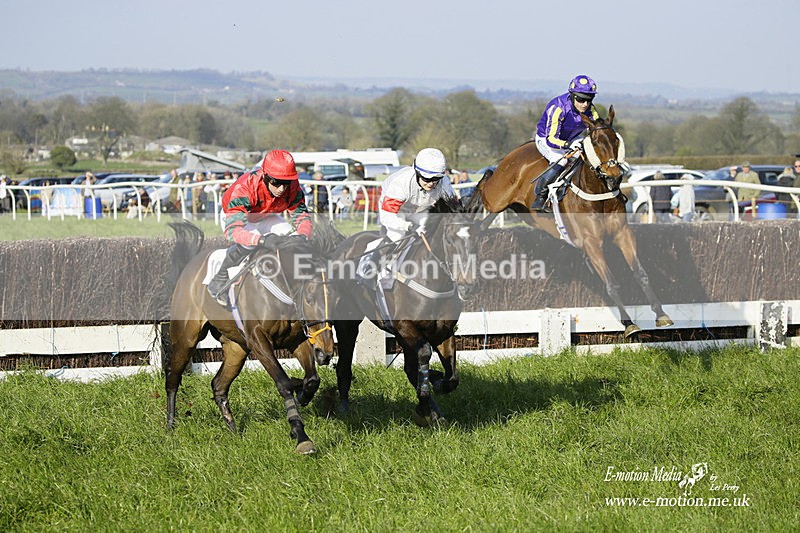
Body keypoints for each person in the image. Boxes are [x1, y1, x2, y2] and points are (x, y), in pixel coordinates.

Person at [207, 149, 312, 306]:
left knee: (294, 240)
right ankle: (219, 278)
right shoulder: (244, 188)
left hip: (266, 216)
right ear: (265, 176)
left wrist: (303, 236)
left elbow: (302, 217)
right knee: (251, 241)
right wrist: (262, 240)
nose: (282, 189)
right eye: (276, 182)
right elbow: (233, 232)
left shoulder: (293, 187)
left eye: (286, 183)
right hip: (237, 218)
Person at [530, 74, 601, 212]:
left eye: (589, 99)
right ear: (572, 96)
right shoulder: (558, 107)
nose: (585, 104)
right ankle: (540, 196)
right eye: (580, 99)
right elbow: (551, 139)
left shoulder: (591, 110)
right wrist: (568, 146)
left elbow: (597, 131)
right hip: (546, 139)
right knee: (560, 160)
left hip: (572, 138)